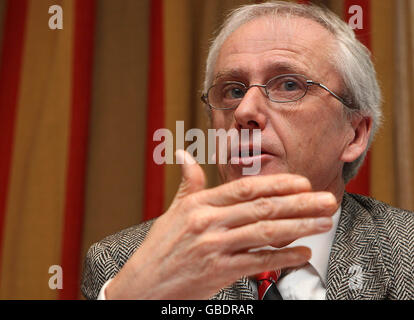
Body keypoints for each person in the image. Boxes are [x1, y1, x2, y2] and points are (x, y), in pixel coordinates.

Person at [81, 1, 414, 300]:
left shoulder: (406, 255)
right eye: (233, 90)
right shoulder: (121, 264)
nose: (244, 111)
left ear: (354, 134)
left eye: (288, 85)